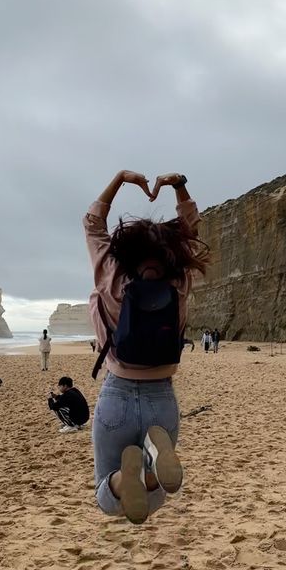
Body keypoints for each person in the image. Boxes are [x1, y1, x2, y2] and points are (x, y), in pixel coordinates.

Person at [85, 170, 207, 524]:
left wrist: (120, 179)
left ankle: (131, 474)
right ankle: (153, 454)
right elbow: (190, 229)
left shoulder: (111, 274)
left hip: (116, 395)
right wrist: (179, 185)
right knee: (155, 500)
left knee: (107, 498)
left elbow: (93, 224)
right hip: (161, 399)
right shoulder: (178, 279)